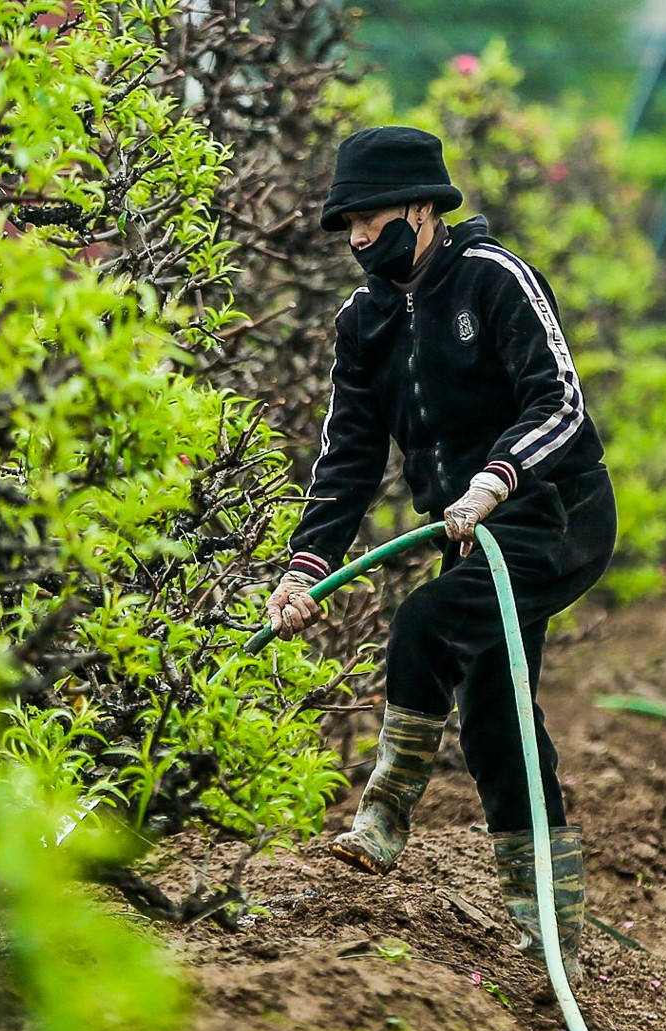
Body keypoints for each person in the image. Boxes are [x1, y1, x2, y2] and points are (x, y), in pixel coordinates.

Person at [265, 126, 618, 981]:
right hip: (474, 535)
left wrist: (499, 476)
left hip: (552, 512)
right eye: (346, 223)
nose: (356, 238)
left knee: (424, 622)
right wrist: (305, 563)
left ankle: (385, 809)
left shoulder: (494, 279)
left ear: (423, 208)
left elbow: (560, 400)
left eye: (371, 218)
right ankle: (553, 932)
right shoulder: (366, 321)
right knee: (496, 714)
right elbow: (348, 455)